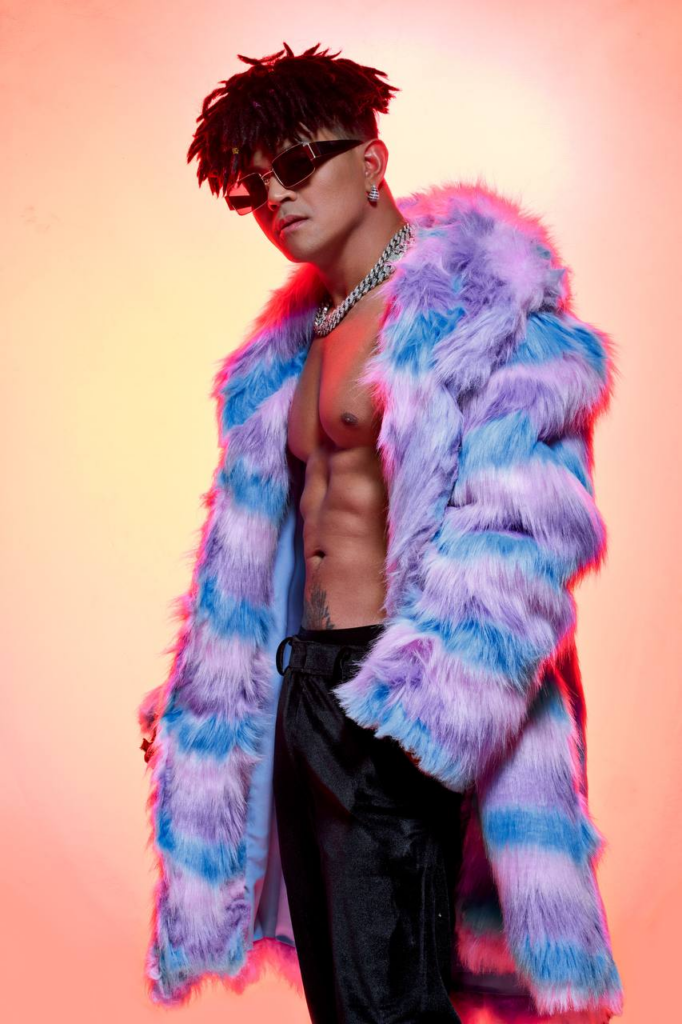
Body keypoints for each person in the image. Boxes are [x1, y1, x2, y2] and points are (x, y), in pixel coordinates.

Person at [138, 42, 623, 1024]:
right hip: (302, 690)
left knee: (386, 1003)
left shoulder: (484, 312)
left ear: (371, 159)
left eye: (297, 164)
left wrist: (425, 718)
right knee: (346, 997)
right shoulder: (285, 351)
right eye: (252, 187)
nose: (276, 197)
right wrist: (200, 694)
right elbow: (258, 562)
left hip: (400, 693)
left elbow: (527, 535)